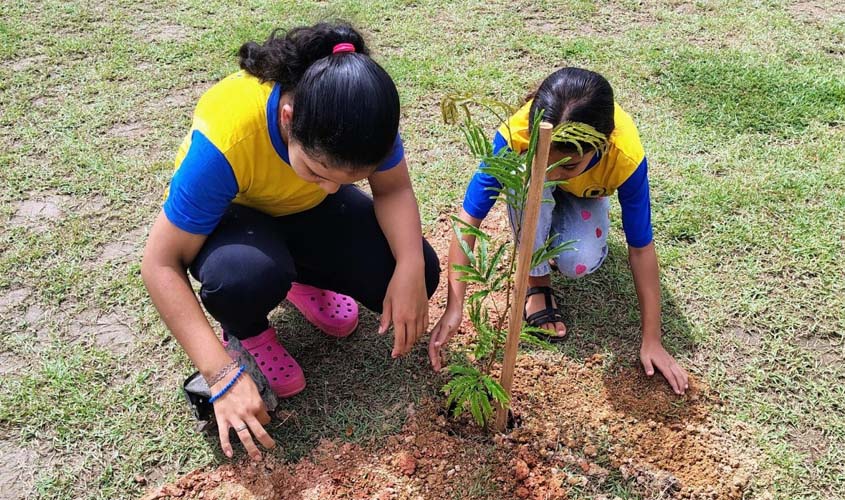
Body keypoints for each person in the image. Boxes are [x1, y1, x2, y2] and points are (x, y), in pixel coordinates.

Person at [141, 22, 440, 461]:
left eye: (348, 180)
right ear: (287, 117)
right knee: (242, 278)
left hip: (299, 214)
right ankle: (249, 331)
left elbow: (392, 189)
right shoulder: (227, 136)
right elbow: (160, 264)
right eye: (319, 171)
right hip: (235, 222)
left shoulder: (365, 117)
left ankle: (302, 279)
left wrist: (411, 264)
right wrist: (221, 374)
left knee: (419, 271)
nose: (332, 189)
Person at [429, 67, 689, 395]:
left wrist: (652, 340)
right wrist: (455, 307)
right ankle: (538, 281)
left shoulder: (625, 155)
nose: (551, 172)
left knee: (579, 260)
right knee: (527, 184)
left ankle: (568, 217)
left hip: (585, 193)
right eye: (544, 159)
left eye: (565, 165)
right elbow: (469, 219)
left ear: (602, 146)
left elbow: (641, 247)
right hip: (529, 188)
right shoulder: (517, 136)